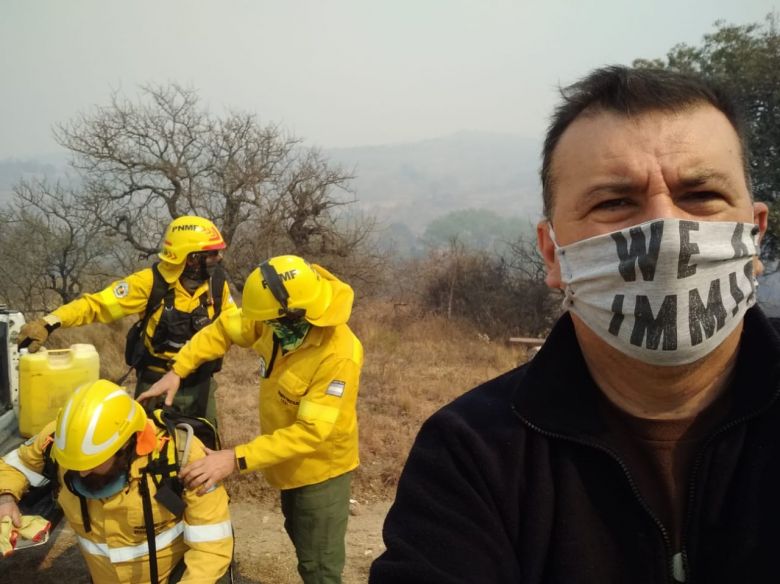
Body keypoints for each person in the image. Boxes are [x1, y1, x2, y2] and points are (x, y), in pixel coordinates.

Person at [369, 66, 778, 583]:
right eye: (615, 202)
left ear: (755, 233)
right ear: (552, 253)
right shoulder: (471, 451)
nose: (667, 230)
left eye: (700, 195)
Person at [139, 255, 363, 584]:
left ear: (294, 314)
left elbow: (310, 433)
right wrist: (177, 370)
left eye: (271, 323)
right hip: (283, 463)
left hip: (320, 470)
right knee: (299, 536)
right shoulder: (275, 320)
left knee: (319, 565)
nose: (262, 328)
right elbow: (222, 329)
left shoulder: (338, 354)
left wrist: (235, 458)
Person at [0, 379, 233, 583]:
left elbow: (211, 547)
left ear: (125, 445)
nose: (81, 473)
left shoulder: (183, 457)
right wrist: (5, 498)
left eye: (93, 462)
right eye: (74, 464)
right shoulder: (59, 441)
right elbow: (13, 464)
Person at [17, 216, 236, 427]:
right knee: (147, 452)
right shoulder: (148, 285)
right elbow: (95, 306)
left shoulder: (217, 286)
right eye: (212, 254)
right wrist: (50, 322)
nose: (219, 259)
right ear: (191, 259)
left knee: (205, 448)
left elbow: (233, 326)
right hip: (155, 382)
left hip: (201, 384)